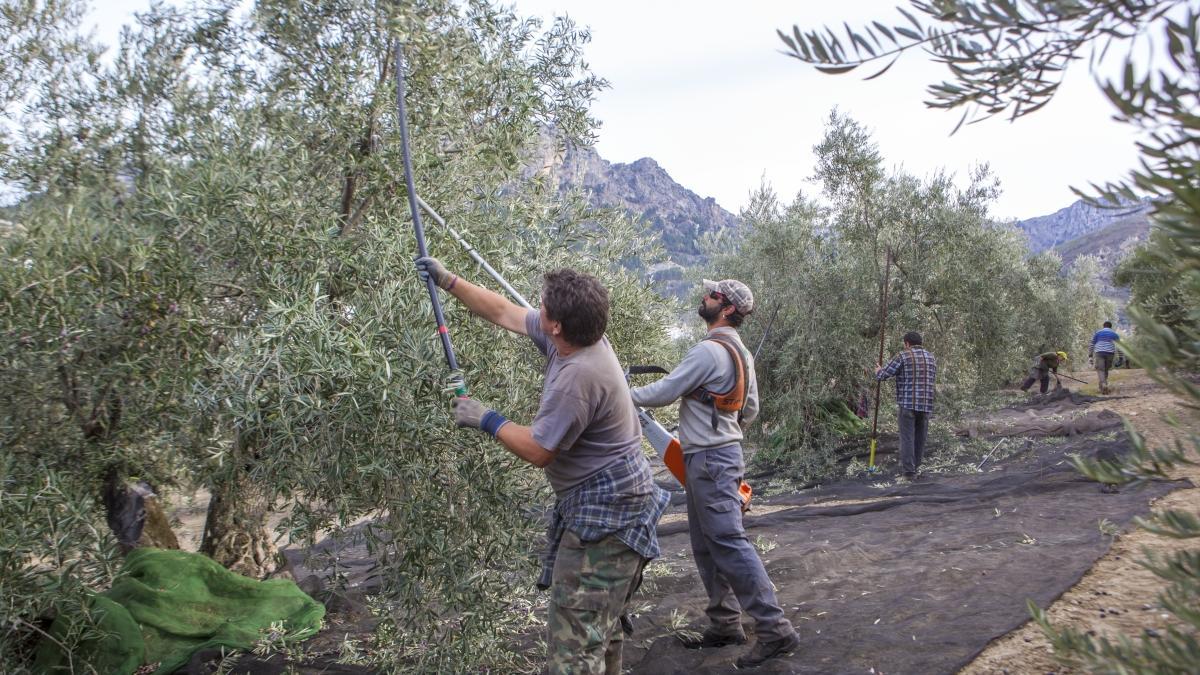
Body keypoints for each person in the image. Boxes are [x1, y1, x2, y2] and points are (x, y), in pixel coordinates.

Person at [415, 256, 668, 675]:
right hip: (616, 501)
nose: (538, 309)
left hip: (607, 517)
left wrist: (486, 418)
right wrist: (450, 281)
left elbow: (538, 451)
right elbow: (505, 312)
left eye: (544, 307)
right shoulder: (576, 336)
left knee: (575, 645)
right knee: (600, 629)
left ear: (557, 325)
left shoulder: (579, 376)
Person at [629, 279, 801, 669]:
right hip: (716, 456)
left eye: (711, 295)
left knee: (728, 542)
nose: (703, 298)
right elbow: (751, 410)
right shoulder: (741, 352)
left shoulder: (708, 350)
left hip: (709, 460)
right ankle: (724, 623)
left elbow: (664, 390)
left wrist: (619, 391)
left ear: (724, 309)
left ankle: (775, 629)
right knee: (707, 543)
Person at [874, 331, 938, 480]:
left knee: (907, 438)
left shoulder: (903, 355)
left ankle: (909, 472)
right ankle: (915, 467)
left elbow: (884, 375)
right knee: (920, 438)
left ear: (907, 343)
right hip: (926, 404)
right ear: (920, 343)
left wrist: (878, 370)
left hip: (907, 404)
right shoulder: (931, 357)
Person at [1090, 321, 1121, 394]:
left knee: (1101, 370)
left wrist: (1090, 356)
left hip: (1099, 352)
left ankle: (1103, 384)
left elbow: (1091, 345)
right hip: (1110, 353)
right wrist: (1121, 358)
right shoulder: (1115, 334)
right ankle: (1103, 386)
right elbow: (1120, 347)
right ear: (1111, 327)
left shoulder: (1098, 333)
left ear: (1103, 326)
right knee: (1105, 370)